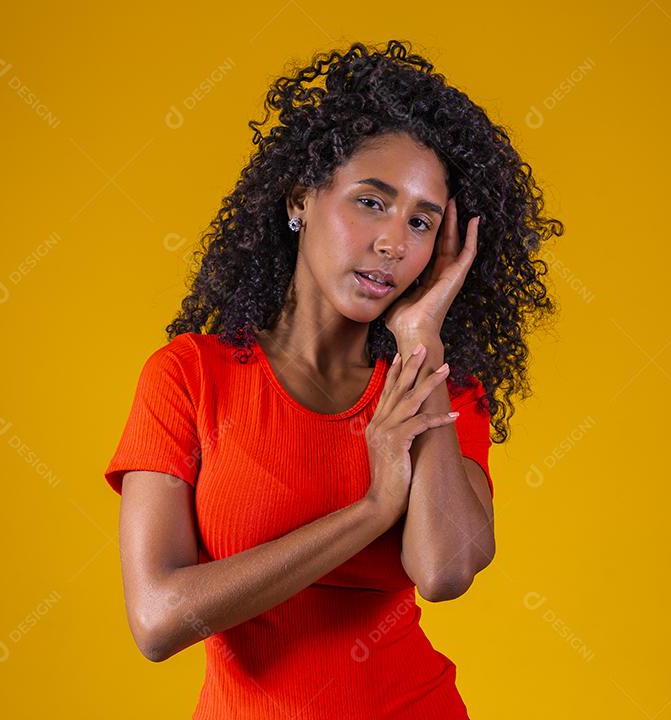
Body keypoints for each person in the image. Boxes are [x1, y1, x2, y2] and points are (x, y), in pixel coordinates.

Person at [103, 39, 563, 719]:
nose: (393, 242)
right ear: (301, 198)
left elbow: (444, 571)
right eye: (372, 202)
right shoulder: (191, 377)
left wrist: (420, 346)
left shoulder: (439, 385)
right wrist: (373, 510)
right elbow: (159, 618)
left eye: (420, 221)